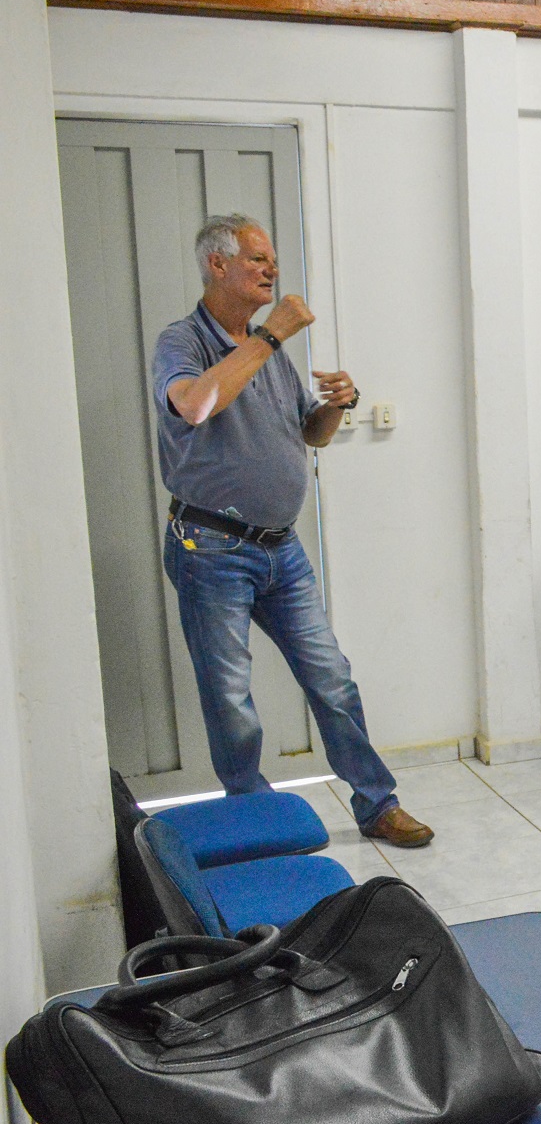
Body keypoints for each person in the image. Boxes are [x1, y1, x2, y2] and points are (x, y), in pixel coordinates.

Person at [152, 214, 431, 847]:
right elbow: (196, 405)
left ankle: (376, 803)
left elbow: (311, 433)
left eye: (272, 260)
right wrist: (272, 337)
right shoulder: (183, 342)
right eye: (257, 259)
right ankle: (255, 817)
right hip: (210, 549)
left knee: (332, 677)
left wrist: (338, 404)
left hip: (282, 548)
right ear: (217, 265)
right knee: (230, 695)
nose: (271, 270)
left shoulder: (267, 350)